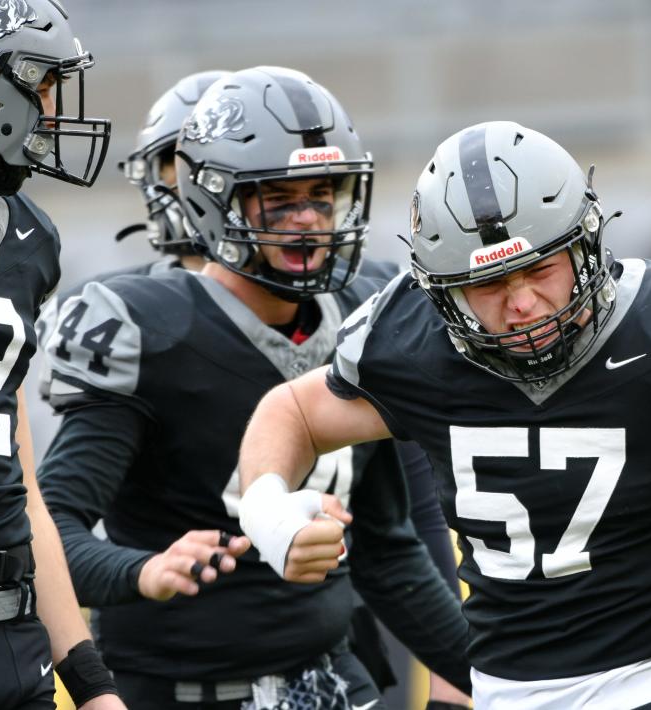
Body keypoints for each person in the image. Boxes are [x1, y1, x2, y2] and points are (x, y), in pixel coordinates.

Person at [237, 120, 651, 710]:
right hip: (503, 688)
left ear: (584, 244)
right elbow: (290, 413)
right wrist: (267, 506)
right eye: (490, 285)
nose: (521, 302)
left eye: (540, 270)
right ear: (442, 293)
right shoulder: (411, 342)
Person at [38, 66, 471, 710]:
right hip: (181, 691)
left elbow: (389, 550)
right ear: (217, 201)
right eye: (279, 198)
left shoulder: (363, 314)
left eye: (322, 195)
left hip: (331, 682)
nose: (307, 221)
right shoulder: (151, 328)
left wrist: (481, 675)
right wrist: (141, 570)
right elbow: (50, 529)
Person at [0, 1, 123, 708]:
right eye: (44, 84)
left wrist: (88, 679)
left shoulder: (28, 241)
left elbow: (19, 482)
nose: (55, 111)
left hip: (13, 638)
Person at [35, 70, 228, 401]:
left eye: (220, 157)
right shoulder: (95, 308)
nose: (200, 177)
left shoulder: (336, 298)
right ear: (151, 173)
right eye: (179, 159)